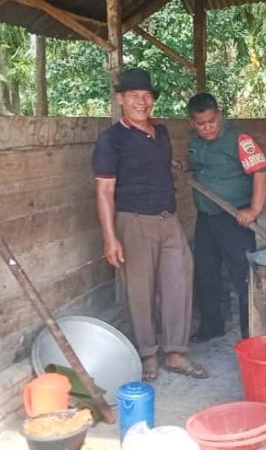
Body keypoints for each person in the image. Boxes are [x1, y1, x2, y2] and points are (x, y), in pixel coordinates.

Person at [92, 68, 207, 381]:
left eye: (146, 96)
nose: (141, 102)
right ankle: (147, 355)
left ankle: (175, 352)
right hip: (134, 221)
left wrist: (174, 165)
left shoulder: (161, 133)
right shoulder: (111, 140)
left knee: (179, 280)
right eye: (134, 96)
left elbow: (155, 163)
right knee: (140, 290)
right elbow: (104, 191)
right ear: (120, 100)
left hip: (168, 219)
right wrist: (110, 238)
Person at [185, 93, 266, 342]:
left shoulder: (240, 139)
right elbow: (197, 168)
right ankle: (212, 326)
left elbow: (261, 173)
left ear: (219, 115)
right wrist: (183, 166)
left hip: (235, 219)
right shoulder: (194, 142)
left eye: (211, 121)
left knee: (243, 276)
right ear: (192, 122)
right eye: (201, 124)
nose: (207, 128)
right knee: (206, 273)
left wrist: (253, 211)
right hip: (206, 217)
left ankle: (250, 332)